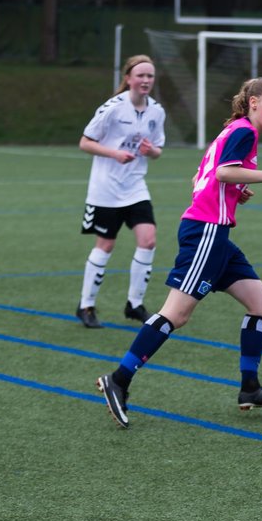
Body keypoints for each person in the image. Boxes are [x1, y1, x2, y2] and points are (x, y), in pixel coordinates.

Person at [95, 77, 262, 428]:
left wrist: (237, 192)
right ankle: (119, 380)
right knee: (177, 313)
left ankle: (250, 387)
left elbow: (201, 178)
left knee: (261, 303)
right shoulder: (244, 132)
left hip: (217, 234)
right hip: (206, 231)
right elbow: (222, 171)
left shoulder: (234, 129)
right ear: (253, 103)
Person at [74, 55, 166, 328]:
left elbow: (158, 150)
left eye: (150, 76)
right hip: (106, 189)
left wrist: (153, 152)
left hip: (136, 187)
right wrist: (113, 153)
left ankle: (134, 305)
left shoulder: (157, 111)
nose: (146, 80)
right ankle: (86, 305)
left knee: (148, 240)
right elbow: (85, 142)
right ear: (128, 78)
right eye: (140, 75)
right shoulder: (112, 108)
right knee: (106, 245)